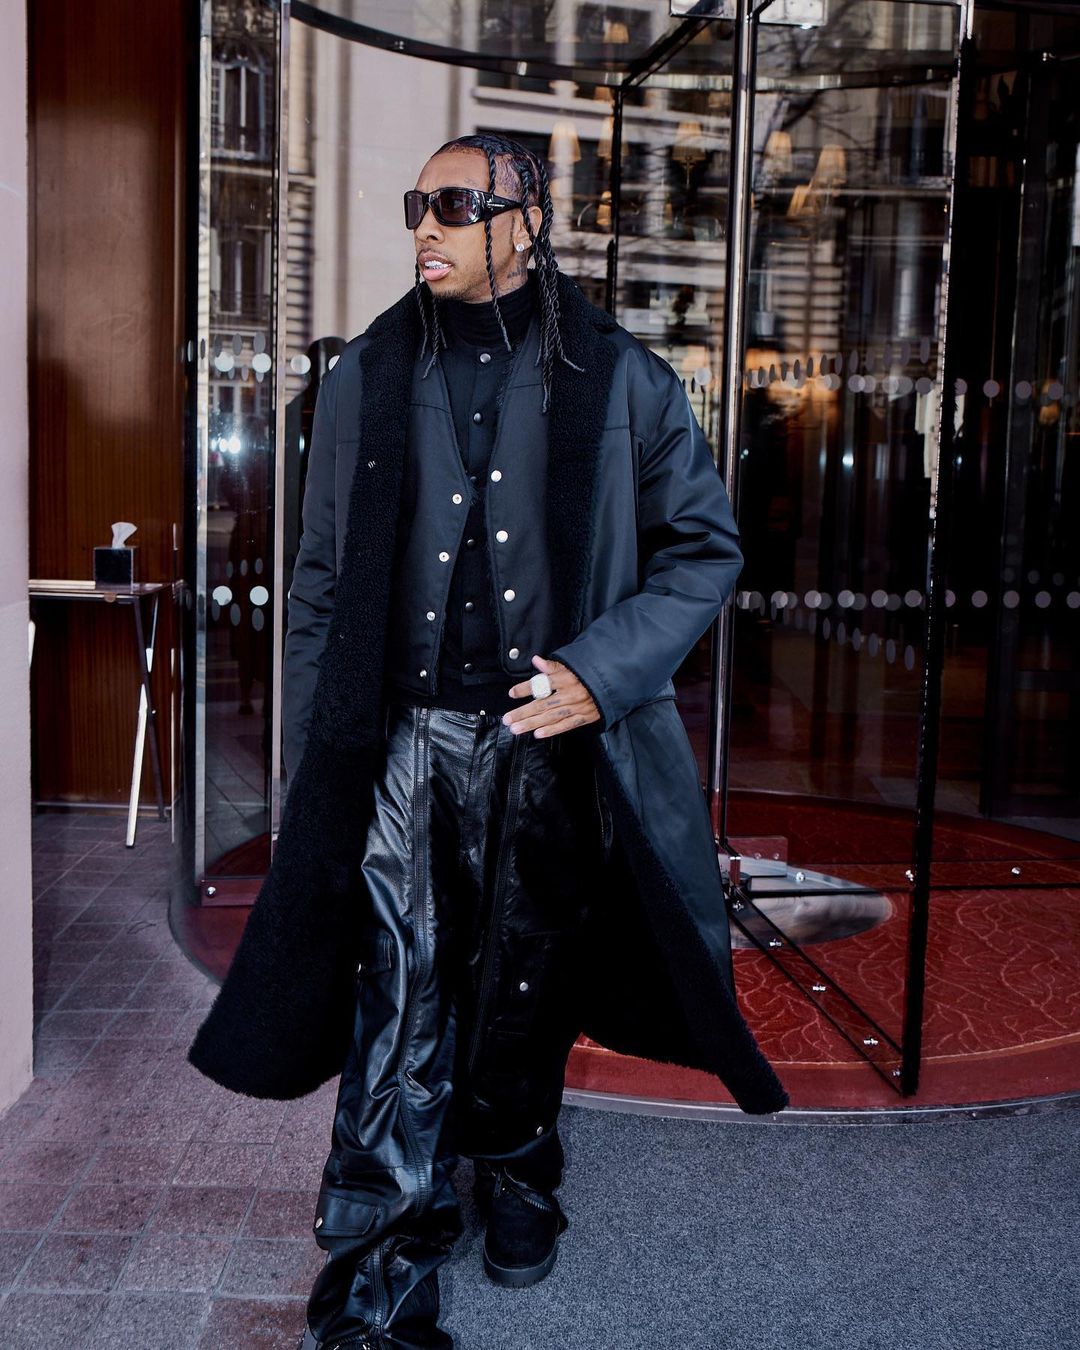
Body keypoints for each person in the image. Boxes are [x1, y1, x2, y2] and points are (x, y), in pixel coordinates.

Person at [188, 132, 788, 1350]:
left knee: (524, 978)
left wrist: (599, 673)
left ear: (527, 221)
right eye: (420, 202)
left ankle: (516, 1165)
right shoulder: (366, 374)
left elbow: (703, 551)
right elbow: (320, 580)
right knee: (400, 988)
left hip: (546, 742)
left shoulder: (621, 378)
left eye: (456, 203)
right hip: (403, 736)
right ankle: (380, 1266)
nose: (428, 224)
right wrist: (318, 757)